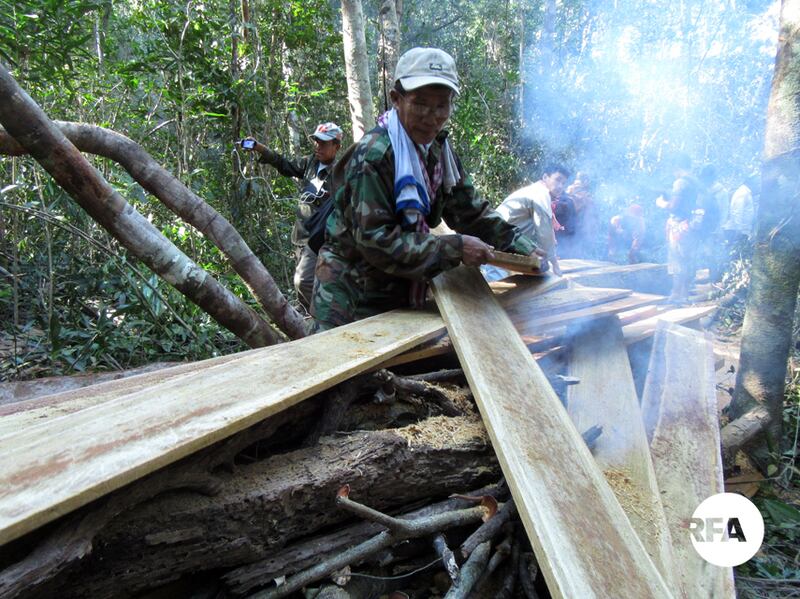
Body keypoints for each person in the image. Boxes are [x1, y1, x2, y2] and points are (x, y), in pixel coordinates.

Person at [310, 48, 543, 331]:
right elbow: (377, 242)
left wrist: (524, 249)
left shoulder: (438, 150)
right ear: (396, 99)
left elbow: (470, 211)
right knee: (354, 372)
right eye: (421, 104)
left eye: (442, 106)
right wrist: (455, 248)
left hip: (401, 287)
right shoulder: (376, 155)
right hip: (351, 295)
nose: (432, 117)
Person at [243, 122, 343, 310]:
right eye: (316, 142)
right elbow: (284, 164)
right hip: (301, 235)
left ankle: (326, 317)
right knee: (303, 282)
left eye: (323, 143)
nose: (317, 146)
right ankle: (307, 315)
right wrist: (260, 148)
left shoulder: (341, 172)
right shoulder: (309, 163)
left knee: (308, 281)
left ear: (336, 147)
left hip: (323, 239)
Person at [493, 164, 571, 277]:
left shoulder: (534, 191)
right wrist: (554, 264)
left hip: (501, 244)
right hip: (498, 246)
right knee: (494, 286)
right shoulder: (541, 193)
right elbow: (544, 233)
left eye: (563, 183)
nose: (560, 186)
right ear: (545, 177)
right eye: (558, 180)